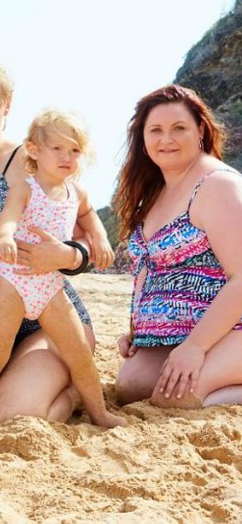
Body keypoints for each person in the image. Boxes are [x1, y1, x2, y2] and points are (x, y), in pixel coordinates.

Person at [0, 55, 102, 423]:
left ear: (7, 107)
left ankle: (75, 389)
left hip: (48, 317)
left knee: (13, 415)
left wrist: (72, 256)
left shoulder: (30, 162)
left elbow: (81, 229)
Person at [0, 109, 123, 428]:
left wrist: (101, 239)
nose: (67, 157)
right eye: (58, 148)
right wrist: (6, 237)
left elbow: (91, 221)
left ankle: (99, 413)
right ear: (34, 150)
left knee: (78, 352)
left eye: (74, 150)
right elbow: (6, 217)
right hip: (13, 281)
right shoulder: (26, 187)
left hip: (50, 286)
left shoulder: (77, 193)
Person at [113, 84, 242, 408]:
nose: (166, 139)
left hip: (233, 328)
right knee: (132, 387)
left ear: (200, 129)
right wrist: (138, 329)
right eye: (155, 130)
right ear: (142, 139)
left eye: (178, 128)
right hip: (182, 331)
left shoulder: (218, 185)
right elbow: (148, 269)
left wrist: (195, 348)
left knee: (176, 397)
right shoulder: (153, 194)